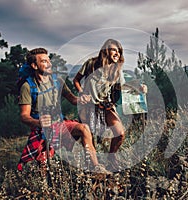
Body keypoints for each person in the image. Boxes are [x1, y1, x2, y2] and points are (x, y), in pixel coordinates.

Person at [17, 47, 110, 174]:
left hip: (60, 124)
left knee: (84, 129)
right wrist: (39, 122)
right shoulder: (27, 87)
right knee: (42, 168)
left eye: (48, 60)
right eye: (44, 61)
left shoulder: (58, 81)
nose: (49, 64)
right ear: (34, 65)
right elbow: (24, 116)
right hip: (41, 131)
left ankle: (95, 167)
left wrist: (81, 99)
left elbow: (72, 99)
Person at [73, 39, 147, 171]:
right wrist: (81, 94)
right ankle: (95, 168)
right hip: (88, 106)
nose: (117, 53)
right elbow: (76, 80)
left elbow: (122, 86)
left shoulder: (116, 70)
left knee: (120, 133)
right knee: (90, 139)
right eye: (114, 50)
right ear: (105, 50)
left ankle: (111, 158)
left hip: (105, 106)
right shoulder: (91, 64)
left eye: (119, 51)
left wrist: (138, 87)